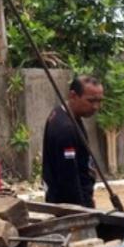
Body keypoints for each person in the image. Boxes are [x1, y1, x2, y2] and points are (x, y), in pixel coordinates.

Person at [42, 75, 104, 208]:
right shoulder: (66, 128)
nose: (96, 106)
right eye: (91, 101)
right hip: (69, 208)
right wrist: (81, 210)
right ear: (73, 96)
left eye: (99, 101)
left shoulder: (62, 113)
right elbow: (68, 178)